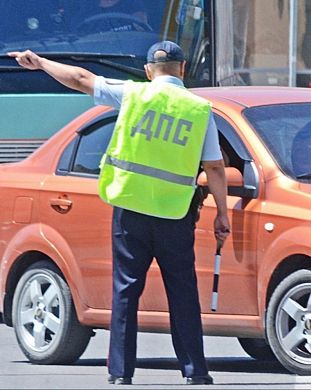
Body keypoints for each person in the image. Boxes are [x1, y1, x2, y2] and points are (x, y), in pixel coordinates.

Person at [8, 41, 230, 386]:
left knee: (126, 290)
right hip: (174, 214)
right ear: (183, 70)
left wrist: (40, 63)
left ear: (147, 72)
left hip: (131, 210)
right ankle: (195, 371)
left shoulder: (132, 94)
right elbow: (215, 167)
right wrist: (222, 215)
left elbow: (81, 78)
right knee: (183, 292)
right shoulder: (200, 109)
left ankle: (120, 373)